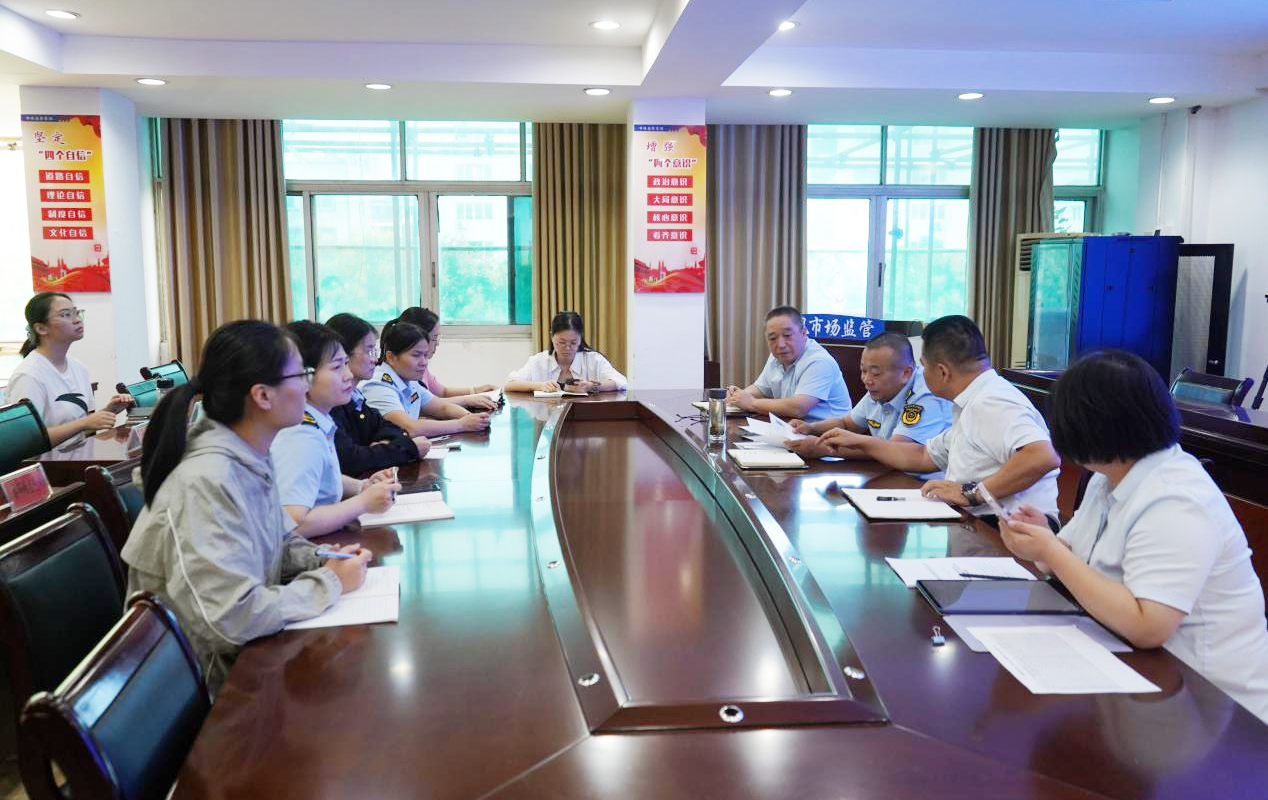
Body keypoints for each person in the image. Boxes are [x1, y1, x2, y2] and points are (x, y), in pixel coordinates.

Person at [998, 350, 1268, 724]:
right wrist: (1040, 539)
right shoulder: (1109, 475)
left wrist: (1051, 552)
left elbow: (1148, 626)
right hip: (1134, 668)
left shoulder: (1176, 498)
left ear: (1094, 429)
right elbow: (1070, 557)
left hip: (1209, 704)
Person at [120, 320, 372, 694]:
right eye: (300, 375)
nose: (306, 385)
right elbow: (231, 618)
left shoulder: (250, 453)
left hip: (240, 662)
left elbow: (277, 537)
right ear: (262, 396)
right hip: (205, 690)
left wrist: (321, 559)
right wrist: (330, 582)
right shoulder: (207, 480)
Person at [820, 314, 1059, 520]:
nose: (921, 374)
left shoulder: (992, 401)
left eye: (924, 366)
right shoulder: (971, 401)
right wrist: (860, 441)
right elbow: (924, 456)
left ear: (942, 371)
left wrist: (971, 493)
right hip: (982, 519)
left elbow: (1043, 456)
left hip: (1009, 527)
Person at [270, 321, 401, 539]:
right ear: (302, 376)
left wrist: (362, 486)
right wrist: (362, 503)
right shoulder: (301, 435)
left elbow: (319, 474)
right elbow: (293, 525)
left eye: (346, 364)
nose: (348, 375)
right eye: (336, 367)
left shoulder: (318, 420)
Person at [787, 331, 951, 471]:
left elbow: (895, 450)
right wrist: (811, 428)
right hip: (889, 474)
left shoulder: (926, 393)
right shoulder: (880, 388)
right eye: (863, 371)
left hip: (923, 483)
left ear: (906, 373)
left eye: (876, 373)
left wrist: (822, 448)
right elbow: (847, 424)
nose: (867, 380)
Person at [7, 292, 132, 446]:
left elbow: (82, 430)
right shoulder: (29, 375)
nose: (77, 320)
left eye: (77, 313)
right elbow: (27, 441)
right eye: (66, 315)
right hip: (49, 460)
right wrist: (85, 422)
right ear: (41, 328)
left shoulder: (78, 368)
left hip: (77, 454)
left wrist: (108, 411)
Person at [325, 313, 431, 475]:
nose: (375, 359)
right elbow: (350, 460)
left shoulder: (354, 398)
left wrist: (384, 445)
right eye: (369, 352)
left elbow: (391, 428)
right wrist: (406, 448)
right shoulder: (332, 404)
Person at [362, 320, 492, 437]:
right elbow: (409, 427)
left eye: (425, 355)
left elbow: (442, 408)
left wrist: (472, 417)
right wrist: (462, 424)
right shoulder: (378, 386)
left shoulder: (409, 380)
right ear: (391, 357)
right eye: (416, 355)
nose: (424, 362)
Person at [726, 306, 851, 422]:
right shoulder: (778, 355)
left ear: (804, 332)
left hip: (827, 433)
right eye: (773, 338)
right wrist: (738, 396)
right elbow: (761, 389)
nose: (780, 344)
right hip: (794, 428)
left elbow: (798, 408)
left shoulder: (819, 361)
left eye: (787, 335)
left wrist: (751, 403)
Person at [396, 307, 499, 411]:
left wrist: (476, 390)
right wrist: (468, 400)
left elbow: (442, 392)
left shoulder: (421, 366)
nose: (437, 343)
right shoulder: (407, 371)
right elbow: (428, 405)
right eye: (434, 338)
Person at [504, 311, 627, 393]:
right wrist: (538, 386)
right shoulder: (538, 361)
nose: (567, 348)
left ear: (580, 339)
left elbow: (620, 382)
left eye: (573, 343)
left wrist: (590, 386)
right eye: (561, 342)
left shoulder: (593, 359)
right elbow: (509, 385)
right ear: (552, 337)